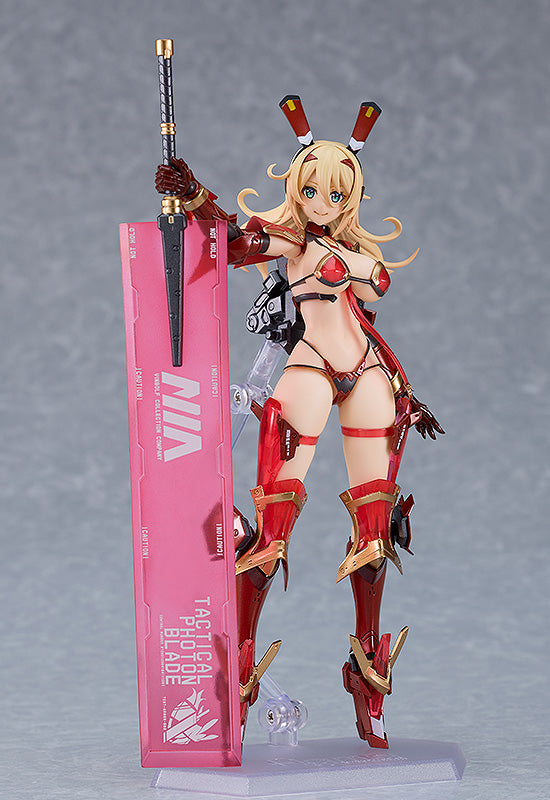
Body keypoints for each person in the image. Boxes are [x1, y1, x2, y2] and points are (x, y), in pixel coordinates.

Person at [155, 95, 443, 747]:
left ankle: (367, 678)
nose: (322, 201)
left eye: (336, 192)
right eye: (311, 189)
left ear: (353, 196)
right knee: (271, 527)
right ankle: (238, 673)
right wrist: (194, 194)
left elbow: (369, 294)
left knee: (376, 530)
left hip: (370, 372)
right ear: (296, 187)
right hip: (309, 366)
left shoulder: (353, 248)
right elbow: (236, 241)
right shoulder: (290, 238)